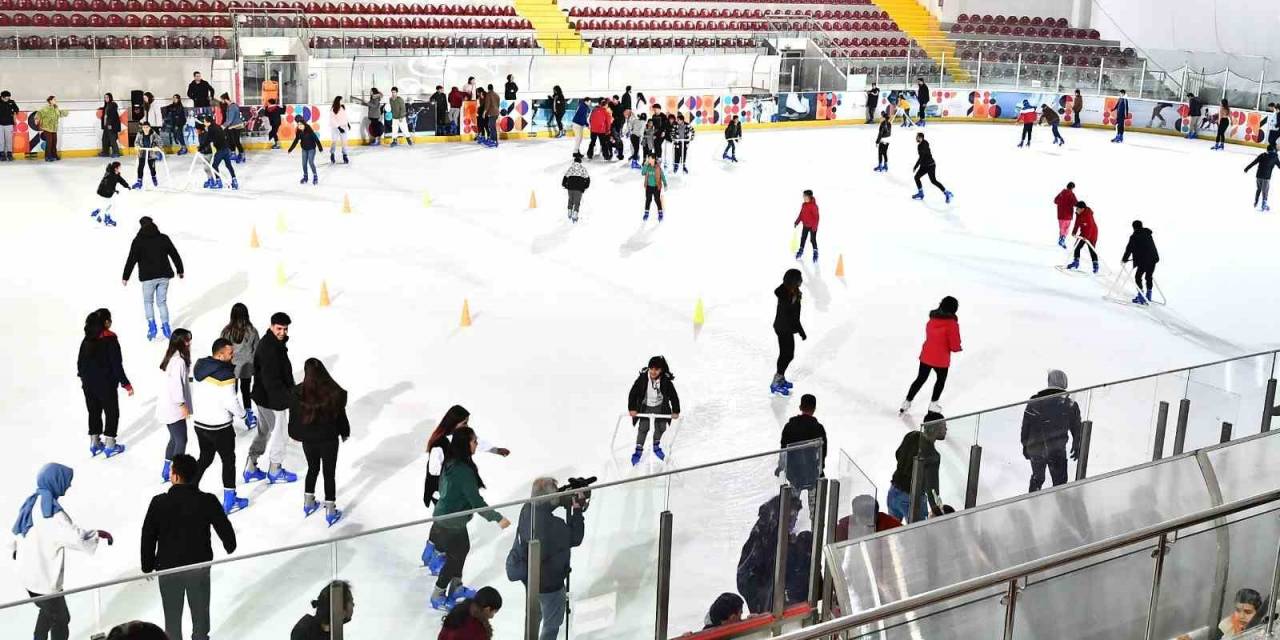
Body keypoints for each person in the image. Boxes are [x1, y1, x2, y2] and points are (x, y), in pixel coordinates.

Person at [8, 463, 110, 640]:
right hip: (43, 581)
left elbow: (16, 537)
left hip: (29, 577)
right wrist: (95, 536)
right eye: (66, 481)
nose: (68, 486)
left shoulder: (33, 503)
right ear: (55, 481)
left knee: (49, 612)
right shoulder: (52, 513)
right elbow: (75, 538)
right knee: (61, 618)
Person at [140, 454, 237, 640]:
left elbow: (148, 535)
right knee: (200, 615)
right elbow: (225, 529)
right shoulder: (207, 500)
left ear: (175, 477)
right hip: (198, 567)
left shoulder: (159, 502)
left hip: (168, 569)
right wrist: (229, 545)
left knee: (172, 618)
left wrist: (147, 565)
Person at [429, 427, 512, 610]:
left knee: (462, 550)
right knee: (453, 560)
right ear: (465, 444)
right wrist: (497, 518)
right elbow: (476, 501)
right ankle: (437, 595)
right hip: (450, 521)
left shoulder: (454, 462)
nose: (476, 443)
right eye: (474, 441)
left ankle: (457, 587)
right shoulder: (462, 470)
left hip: (451, 519)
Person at [505, 477, 586, 640]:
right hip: (551, 586)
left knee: (534, 617)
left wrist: (560, 496)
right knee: (551, 625)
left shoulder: (527, 509)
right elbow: (575, 537)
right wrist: (577, 509)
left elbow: (545, 507)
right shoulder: (555, 526)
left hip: (531, 579)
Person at [191, 338, 253, 513]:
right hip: (220, 427)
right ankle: (230, 500)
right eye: (230, 353)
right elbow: (231, 401)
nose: (233, 355)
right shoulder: (226, 375)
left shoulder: (199, 366)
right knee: (228, 461)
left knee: (205, 457)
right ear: (220, 354)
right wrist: (243, 415)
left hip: (200, 424)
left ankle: (189, 490)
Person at [288, 358, 350, 526]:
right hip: (329, 440)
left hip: (308, 440)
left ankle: (308, 502)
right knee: (329, 473)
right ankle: (330, 510)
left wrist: (294, 434)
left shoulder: (297, 392)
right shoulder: (333, 392)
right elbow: (340, 416)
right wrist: (345, 432)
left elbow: (294, 417)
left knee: (312, 468)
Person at [735, 492, 811, 614]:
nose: (794, 521)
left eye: (795, 517)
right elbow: (746, 575)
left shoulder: (774, 534)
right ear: (778, 516)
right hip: (768, 601)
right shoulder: (763, 538)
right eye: (792, 517)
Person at [247, 312, 298, 484]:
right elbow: (271, 379)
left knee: (264, 431)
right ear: (271, 326)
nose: (282, 332)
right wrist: (285, 401)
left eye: (285, 329)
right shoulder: (270, 348)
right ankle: (275, 470)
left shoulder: (273, 343)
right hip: (272, 400)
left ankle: (251, 466)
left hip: (263, 397)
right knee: (280, 434)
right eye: (279, 328)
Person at [78, 308, 133, 456]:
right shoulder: (110, 339)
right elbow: (116, 364)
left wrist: (83, 378)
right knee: (111, 412)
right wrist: (126, 383)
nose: (111, 322)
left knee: (93, 411)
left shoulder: (87, 338)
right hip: (106, 384)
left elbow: (80, 362)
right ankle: (110, 444)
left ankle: (94, 442)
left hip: (88, 384)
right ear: (105, 322)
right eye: (109, 319)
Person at [122, 216, 184, 341]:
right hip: (164, 276)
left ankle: (152, 326)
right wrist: (180, 270)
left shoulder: (138, 241)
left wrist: (125, 276)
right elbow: (174, 253)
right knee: (162, 302)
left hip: (148, 278)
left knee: (148, 302)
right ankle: (166, 326)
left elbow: (131, 259)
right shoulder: (163, 238)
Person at [1020, 369, 1081, 492]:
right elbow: (1076, 427)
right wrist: (1077, 443)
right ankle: (1061, 506)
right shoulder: (1069, 403)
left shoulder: (1034, 401)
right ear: (1064, 383)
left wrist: (1025, 445)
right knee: (1060, 483)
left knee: (1037, 478)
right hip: (1057, 449)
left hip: (1036, 448)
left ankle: (1033, 504)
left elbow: (1026, 427)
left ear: (1049, 382)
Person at [899, 296, 962, 414]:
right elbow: (954, 345)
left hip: (927, 356)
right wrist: (958, 348)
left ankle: (906, 402)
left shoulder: (932, 319)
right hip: (941, 359)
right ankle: (933, 405)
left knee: (920, 379)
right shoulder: (952, 324)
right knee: (940, 381)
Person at [887, 413, 946, 521]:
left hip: (893, 492)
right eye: (943, 426)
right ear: (934, 428)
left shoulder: (911, 435)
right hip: (912, 499)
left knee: (893, 532)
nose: (946, 429)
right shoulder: (933, 455)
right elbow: (932, 488)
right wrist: (937, 509)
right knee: (918, 534)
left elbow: (898, 454)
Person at [627, 356, 681, 465]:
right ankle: (638, 450)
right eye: (651, 368)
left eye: (656, 369)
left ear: (661, 370)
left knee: (661, 427)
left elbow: (673, 396)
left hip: (660, 407)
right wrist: (632, 408)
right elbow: (633, 393)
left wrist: (676, 411)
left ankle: (656, 445)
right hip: (646, 406)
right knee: (643, 427)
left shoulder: (665, 381)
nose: (653, 371)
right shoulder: (642, 379)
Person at [157, 328, 193, 483]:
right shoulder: (178, 361)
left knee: (174, 438)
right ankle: (177, 473)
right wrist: (182, 404)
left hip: (167, 407)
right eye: (187, 340)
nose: (189, 343)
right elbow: (176, 386)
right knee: (181, 440)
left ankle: (167, 469)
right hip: (174, 408)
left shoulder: (172, 358)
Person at [779, 394, 827, 506]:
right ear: (814, 409)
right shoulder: (818, 428)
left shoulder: (789, 426)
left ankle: (790, 518)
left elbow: (783, 449)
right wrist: (820, 469)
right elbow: (823, 453)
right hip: (812, 473)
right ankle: (815, 518)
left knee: (791, 507)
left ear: (800, 407)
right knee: (816, 507)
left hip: (794, 473)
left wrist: (781, 466)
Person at [1175, 588, 1268, 640]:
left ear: (1258, 612)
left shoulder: (1263, 631)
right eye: (1238, 610)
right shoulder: (1226, 626)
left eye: (1248, 612)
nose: (1241, 616)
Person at [219, 303, 258, 422]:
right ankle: (249, 416)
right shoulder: (252, 331)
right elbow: (257, 349)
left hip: (231, 367)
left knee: (232, 392)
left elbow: (221, 348)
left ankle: (229, 416)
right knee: (246, 391)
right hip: (247, 367)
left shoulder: (226, 331)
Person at [771, 269, 806, 396]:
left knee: (789, 355)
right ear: (793, 281)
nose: (801, 281)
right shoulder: (784, 294)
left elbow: (795, 316)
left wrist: (800, 330)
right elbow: (790, 314)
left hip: (788, 328)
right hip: (782, 328)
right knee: (786, 354)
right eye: (799, 278)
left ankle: (780, 377)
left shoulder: (795, 293)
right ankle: (776, 382)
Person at [438, 587, 503, 639]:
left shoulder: (461, 609)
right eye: (494, 612)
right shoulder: (478, 631)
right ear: (487, 609)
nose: (492, 616)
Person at [1122, 220, 1160, 305]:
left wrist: (1124, 259)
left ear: (1134, 227)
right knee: (1149, 276)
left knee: (1138, 277)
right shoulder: (1148, 233)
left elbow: (1129, 249)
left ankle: (1141, 296)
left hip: (1143, 260)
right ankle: (1148, 295)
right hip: (1153, 259)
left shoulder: (1134, 236)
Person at [834, 494, 902, 541]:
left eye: (871, 525)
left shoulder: (890, 524)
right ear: (854, 516)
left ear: (877, 514)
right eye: (863, 523)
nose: (866, 528)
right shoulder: (843, 528)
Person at [911, 132, 952, 202]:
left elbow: (921, 157)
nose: (916, 138)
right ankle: (921, 193)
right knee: (916, 177)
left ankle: (946, 192)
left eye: (917, 137)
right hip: (924, 165)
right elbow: (922, 157)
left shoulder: (921, 146)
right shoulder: (924, 142)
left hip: (930, 166)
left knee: (933, 181)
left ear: (921, 138)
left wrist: (915, 166)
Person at [91, 161, 131, 226]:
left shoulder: (115, 173)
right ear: (116, 168)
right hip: (104, 192)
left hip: (108, 192)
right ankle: (98, 215)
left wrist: (127, 186)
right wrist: (114, 190)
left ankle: (99, 215)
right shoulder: (110, 175)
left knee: (108, 206)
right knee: (108, 206)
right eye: (119, 167)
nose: (120, 168)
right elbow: (108, 185)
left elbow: (121, 180)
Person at [288, 115, 323, 185]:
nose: (299, 126)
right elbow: (296, 140)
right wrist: (291, 149)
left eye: (300, 124)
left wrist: (320, 147)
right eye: (298, 124)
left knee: (310, 162)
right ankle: (305, 177)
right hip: (304, 149)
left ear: (303, 123)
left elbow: (315, 138)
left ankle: (315, 176)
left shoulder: (308, 129)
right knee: (304, 164)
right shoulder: (298, 131)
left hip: (311, 149)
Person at [204, 118, 238, 190]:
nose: (204, 123)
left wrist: (200, 148)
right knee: (228, 165)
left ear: (208, 122)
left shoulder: (211, 129)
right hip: (226, 149)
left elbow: (207, 140)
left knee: (214, 166)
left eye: (205, 122)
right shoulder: (218, 126)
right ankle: (234, 180)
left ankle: (219, 182)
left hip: (220, 150)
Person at [1066, 200, 1099, 273]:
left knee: (1091, 249)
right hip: (1084, 233)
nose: (1076, 209)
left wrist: (1086, 237)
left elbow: (1090, 227)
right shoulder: (1078, 214)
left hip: (1092, 233)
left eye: (1077, 208)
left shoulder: (1088, 215)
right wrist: (1074, 232)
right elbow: (1076, 224)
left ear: (1082, 209)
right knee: (1077, 246)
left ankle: (1095, 265)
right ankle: (1076, 262)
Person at [1245, 144, 1277, 211]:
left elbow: (1254, 162)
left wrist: (1247, 168)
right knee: (1265, 191)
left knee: (1259, 189)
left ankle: (1256, 201)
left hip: (1258, 176)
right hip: (1266, 177)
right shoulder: (1275, 157)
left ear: (1267, 150)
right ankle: (1264, 204)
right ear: (1274, 150)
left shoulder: (1262, 155)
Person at [36, 96, 69, 161]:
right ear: (50, 101)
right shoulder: (46, 108)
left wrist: (65, 112)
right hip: (47, 127)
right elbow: (39, 113)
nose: (55, 100)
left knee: (54, 142)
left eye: (55, 99)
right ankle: (48, 157)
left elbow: (58, 114)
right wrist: (37, 119)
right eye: (54, 99)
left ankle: (54, 155)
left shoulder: (56, 108)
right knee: (49, 142)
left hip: (54, 128)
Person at [561, 152, 590, 223]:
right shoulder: (583, 169)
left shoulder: (571, 168)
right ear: (580, 162)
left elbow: (565, 177)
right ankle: (575, 214)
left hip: (570, 187)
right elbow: (587, 178)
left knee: (570, 199)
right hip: (579, 188)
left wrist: (564, 184)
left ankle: (569, 211)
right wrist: (585, 186)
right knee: (577, 201)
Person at [132, 122, 162, 189]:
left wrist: (157, 147)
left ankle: (154, 178)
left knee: (152, 168)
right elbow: (136, 142)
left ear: (149, 127)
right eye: (144, 127)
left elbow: (160, 141)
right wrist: (137, 146)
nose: (145, 129)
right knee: (140, 167)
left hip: (151, 154)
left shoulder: (153, 134)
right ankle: (139, 182)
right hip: (142, 153)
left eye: (147, 127)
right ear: (142, 128)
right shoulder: (140, 134)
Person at [793, 189, 819, 263]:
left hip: (812, 226)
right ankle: (801, 250)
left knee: (812, 239)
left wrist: (814, 227)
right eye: (803, 196)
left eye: (805, 196)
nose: (804, 197)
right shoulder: (804, 205)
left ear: (810, 197)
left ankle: (815, 251)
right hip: (805, 225)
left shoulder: (814, 206)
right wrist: (797, 221)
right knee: (803, 238)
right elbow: (801, 214)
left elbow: (816, 218)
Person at [219, 93, 245, 162]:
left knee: (236, 141)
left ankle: (242, 155)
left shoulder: (232, 107)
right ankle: (233, 154)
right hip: (231, 127)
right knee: (230, 140)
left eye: (222, 100)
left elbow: (230, 120)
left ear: (225, 99)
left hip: (236, 126)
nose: (221, 101)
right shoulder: (230, 106)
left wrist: (222, 126)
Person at [641, 155, 666, 221]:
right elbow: (643, 173)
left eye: (650, 158)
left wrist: (665, 184)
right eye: (648, 158)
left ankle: (660, 213)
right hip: (648, 187)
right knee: (648, 200)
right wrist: (645, 165)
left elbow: (662, 176)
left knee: (657, 200)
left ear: (653, 159)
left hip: (656, 187)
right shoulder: (647, 166)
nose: (648, 159)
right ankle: (646, 213)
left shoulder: (658, 167)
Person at [1053, 181, 1077, 248]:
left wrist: (1061, 203)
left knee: (1061, 228)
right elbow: (1075, 203)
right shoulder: (1071, 194)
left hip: (1060, 214)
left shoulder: (1061, 193)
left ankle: (1061, 239)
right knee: (1066, 228)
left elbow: (1055, 200)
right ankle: (1062, 239)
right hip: (1068, 215)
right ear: (1072, 188)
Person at [100, 92, 122, 157]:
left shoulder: (113, 104)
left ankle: (116, 152)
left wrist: (110, 124)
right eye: (105, 97)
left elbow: (113, 116)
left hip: (111, 125)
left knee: (112, 139)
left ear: (110, 98)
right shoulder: (106, 105)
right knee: (104, 139)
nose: (105, 99)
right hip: (106, 125)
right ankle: (105, 152)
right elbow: (105, 116)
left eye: (107, 97)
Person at [329, 97, 349, 164]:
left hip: (343, 127)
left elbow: (345, 117)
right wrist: (339, 127)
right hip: (335, 128)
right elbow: (332, 120)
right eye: (341, 100)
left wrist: (347, 123)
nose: (342, 101)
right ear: (338, 101)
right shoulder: (333, 109)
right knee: (334, 141)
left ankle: (345, 155)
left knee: (344, 142)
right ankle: (332, 154)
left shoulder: (342, 107)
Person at [0, 89, 18, 161]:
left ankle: (9, 154)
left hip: (9, 124)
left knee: (9, 140)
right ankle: (1, 155)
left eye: (8, 98)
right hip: (0, 124)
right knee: (1, 140)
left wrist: (14, 115)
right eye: (6, 98)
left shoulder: (11, 102)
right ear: (2, 97)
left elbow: (16, 109)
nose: (7, 99)